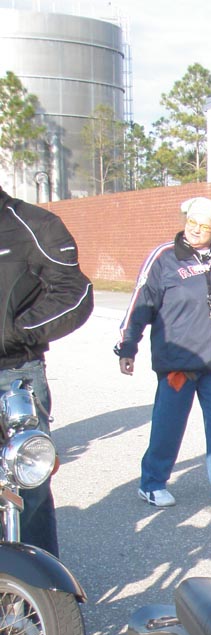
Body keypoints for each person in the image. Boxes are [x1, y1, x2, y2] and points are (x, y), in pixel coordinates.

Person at [115, 196, 211, 515]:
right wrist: (128, 345)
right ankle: (152, 483)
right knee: (168, 425)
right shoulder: (164, 257)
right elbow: (141, 302)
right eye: (191, 223)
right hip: (179, 362)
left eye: (204, 226)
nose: (195, 230)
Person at [0, 185, 93, 556]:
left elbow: (74, 292)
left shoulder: (32, 224)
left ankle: (38, 584)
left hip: (13, 374)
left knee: (27, 484)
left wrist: (13, 332)